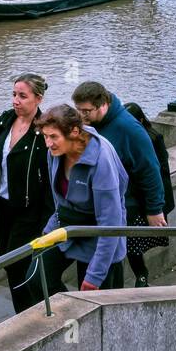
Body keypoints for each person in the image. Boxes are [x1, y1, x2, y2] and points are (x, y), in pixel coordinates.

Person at [72, 81, 167, 286]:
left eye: (86, 111)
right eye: (78, 110)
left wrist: (154, 209)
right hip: (96, 203)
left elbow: (150, 169)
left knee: (117, 255)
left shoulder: (129, 128)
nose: (81, 116)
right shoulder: (91, 124)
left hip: (124, 203)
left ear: (103, 104)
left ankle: (131, 283)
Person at [0, 73, 54, 312]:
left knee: (18, 262)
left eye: (23, 96)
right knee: (8, 261)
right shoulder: (4, 121)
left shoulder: (43, 132)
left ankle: (27, 313)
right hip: (4, 206)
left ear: (38, 99)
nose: (16, 100)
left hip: (29, 210)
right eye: (14, 94)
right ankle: (26, 310)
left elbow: (50, 176)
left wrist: (48, 217)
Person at [37, 105, 128, 292]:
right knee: (37, 279)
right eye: (45, 136)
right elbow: (59, 201)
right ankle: (62, 315)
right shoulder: (54, 153)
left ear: (74, 131)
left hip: (100, 235)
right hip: (69, 224)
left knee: (88, 297)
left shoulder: (101, 160)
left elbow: (110, 222)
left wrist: (95, 276)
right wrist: (49, 232)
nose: (48, 143)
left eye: (54, 137)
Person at [124, 102, 176, 287]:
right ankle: (141, 275)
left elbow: (159, 170)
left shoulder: (153, 138)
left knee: (133, 242)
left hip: (145, 200)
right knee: (132, 243)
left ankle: (141, 275)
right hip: (134, 199)